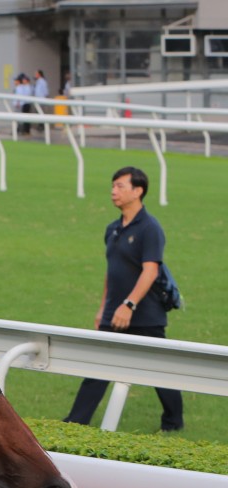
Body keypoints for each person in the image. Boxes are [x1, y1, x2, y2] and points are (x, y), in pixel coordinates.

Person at [63, 166, 183, 432]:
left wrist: (129, 305)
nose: (113, 191)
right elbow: (113, 271)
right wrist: (103, 307)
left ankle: (173, 422)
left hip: (144, 312)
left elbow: (150, 271)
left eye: (120, 186)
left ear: (138, 191)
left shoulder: (150, 228)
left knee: (159, 369)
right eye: (113, 186)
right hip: (114, 311)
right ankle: (76, 421)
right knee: (99, 366)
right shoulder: (113, 229)